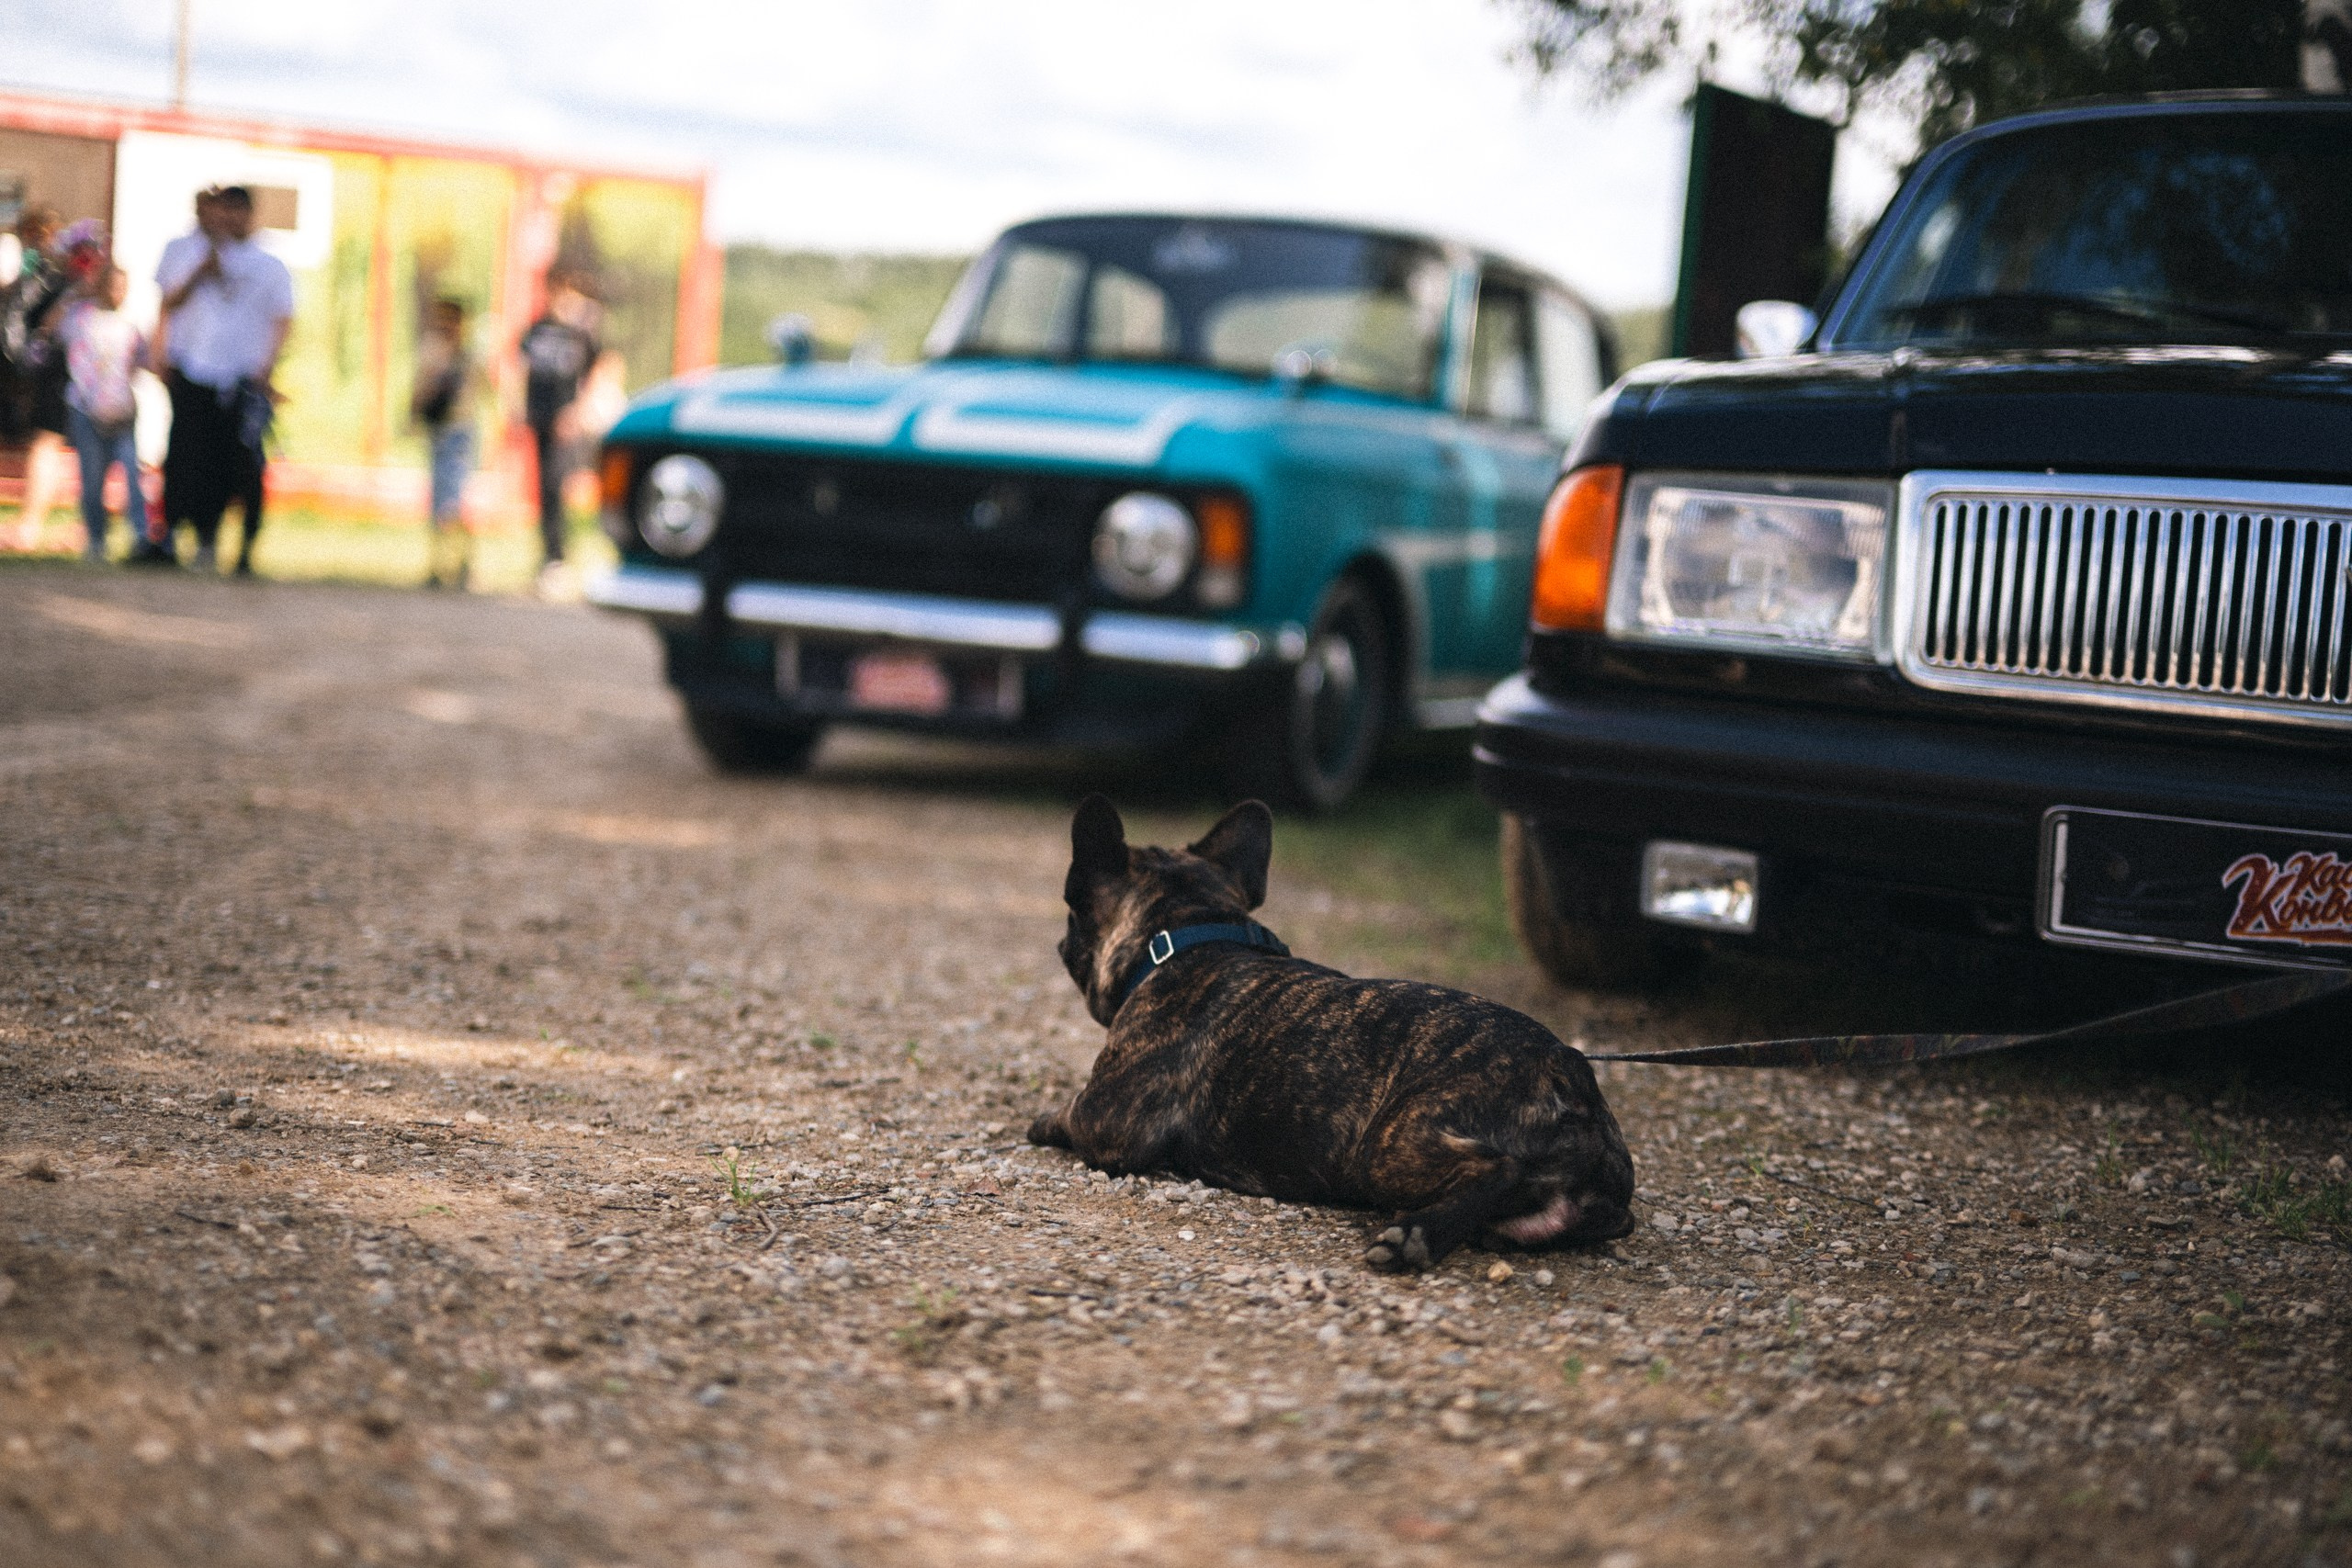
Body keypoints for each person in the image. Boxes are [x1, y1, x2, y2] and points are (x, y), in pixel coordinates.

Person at [153, 185, 292, 575]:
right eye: (222, 210)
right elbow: (168, 303)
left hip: (243, 378)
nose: (228, 219)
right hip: (196, 371)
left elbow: (283, 318)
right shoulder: (190, 252)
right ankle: (193, 535)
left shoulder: (268, 264)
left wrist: (266, 368)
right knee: (192, 459)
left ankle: (246, 547)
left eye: (236, 211)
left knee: (245, 464)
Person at [59, 261, 151, 562]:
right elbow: (63, 343)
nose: (118, 293)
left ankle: (141, 535)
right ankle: (96, 539)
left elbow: (142, 362)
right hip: (87, 409)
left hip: (121, 411)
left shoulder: (130, 325)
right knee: (93, 477)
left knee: (132, 476)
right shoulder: (82, 319)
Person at [517, 272, 601, 591]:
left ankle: (560, 556)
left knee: (560, 485)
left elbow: (598, 370)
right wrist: (518, 407)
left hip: (566, 423)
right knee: (545, 488)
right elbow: (521, 367)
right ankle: (549, 556)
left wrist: (578, 411)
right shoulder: (537, 330)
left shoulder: (581, 335)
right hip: (540, 416)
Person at [2, 206, 72, 551]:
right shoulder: (30, 270)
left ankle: (30, 527)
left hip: (36, 370)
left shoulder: (56, 275)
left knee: (45, 442)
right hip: (21, 367)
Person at [410, 296, 479, 590]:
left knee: (452, 500)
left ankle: (460, 562)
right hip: (442, 430)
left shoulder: (467, 355)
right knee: (441, 499)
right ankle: (441, 565)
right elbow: (420, 389)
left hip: (459, 432)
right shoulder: (435, 351)